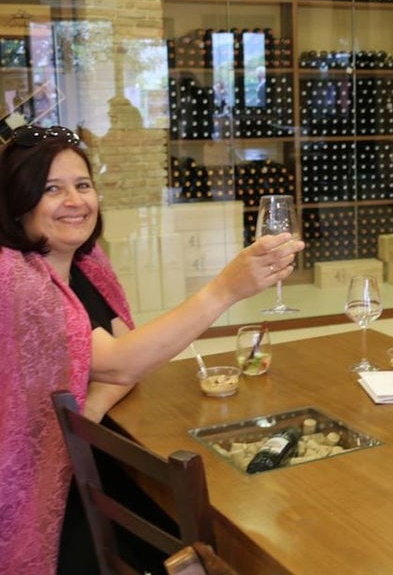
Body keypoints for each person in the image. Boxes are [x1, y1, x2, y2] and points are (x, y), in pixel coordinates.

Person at [0, 124, 303, 572]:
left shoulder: (84, 263)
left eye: (83, 185)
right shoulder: (16, 281)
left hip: (88, 461)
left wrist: (91, 404)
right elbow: (125, 362)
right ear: (16, 201)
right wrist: (224, 290)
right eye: (52, 189)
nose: (74, 201)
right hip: (45, 494)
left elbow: (127, 354)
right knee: (218, 541)